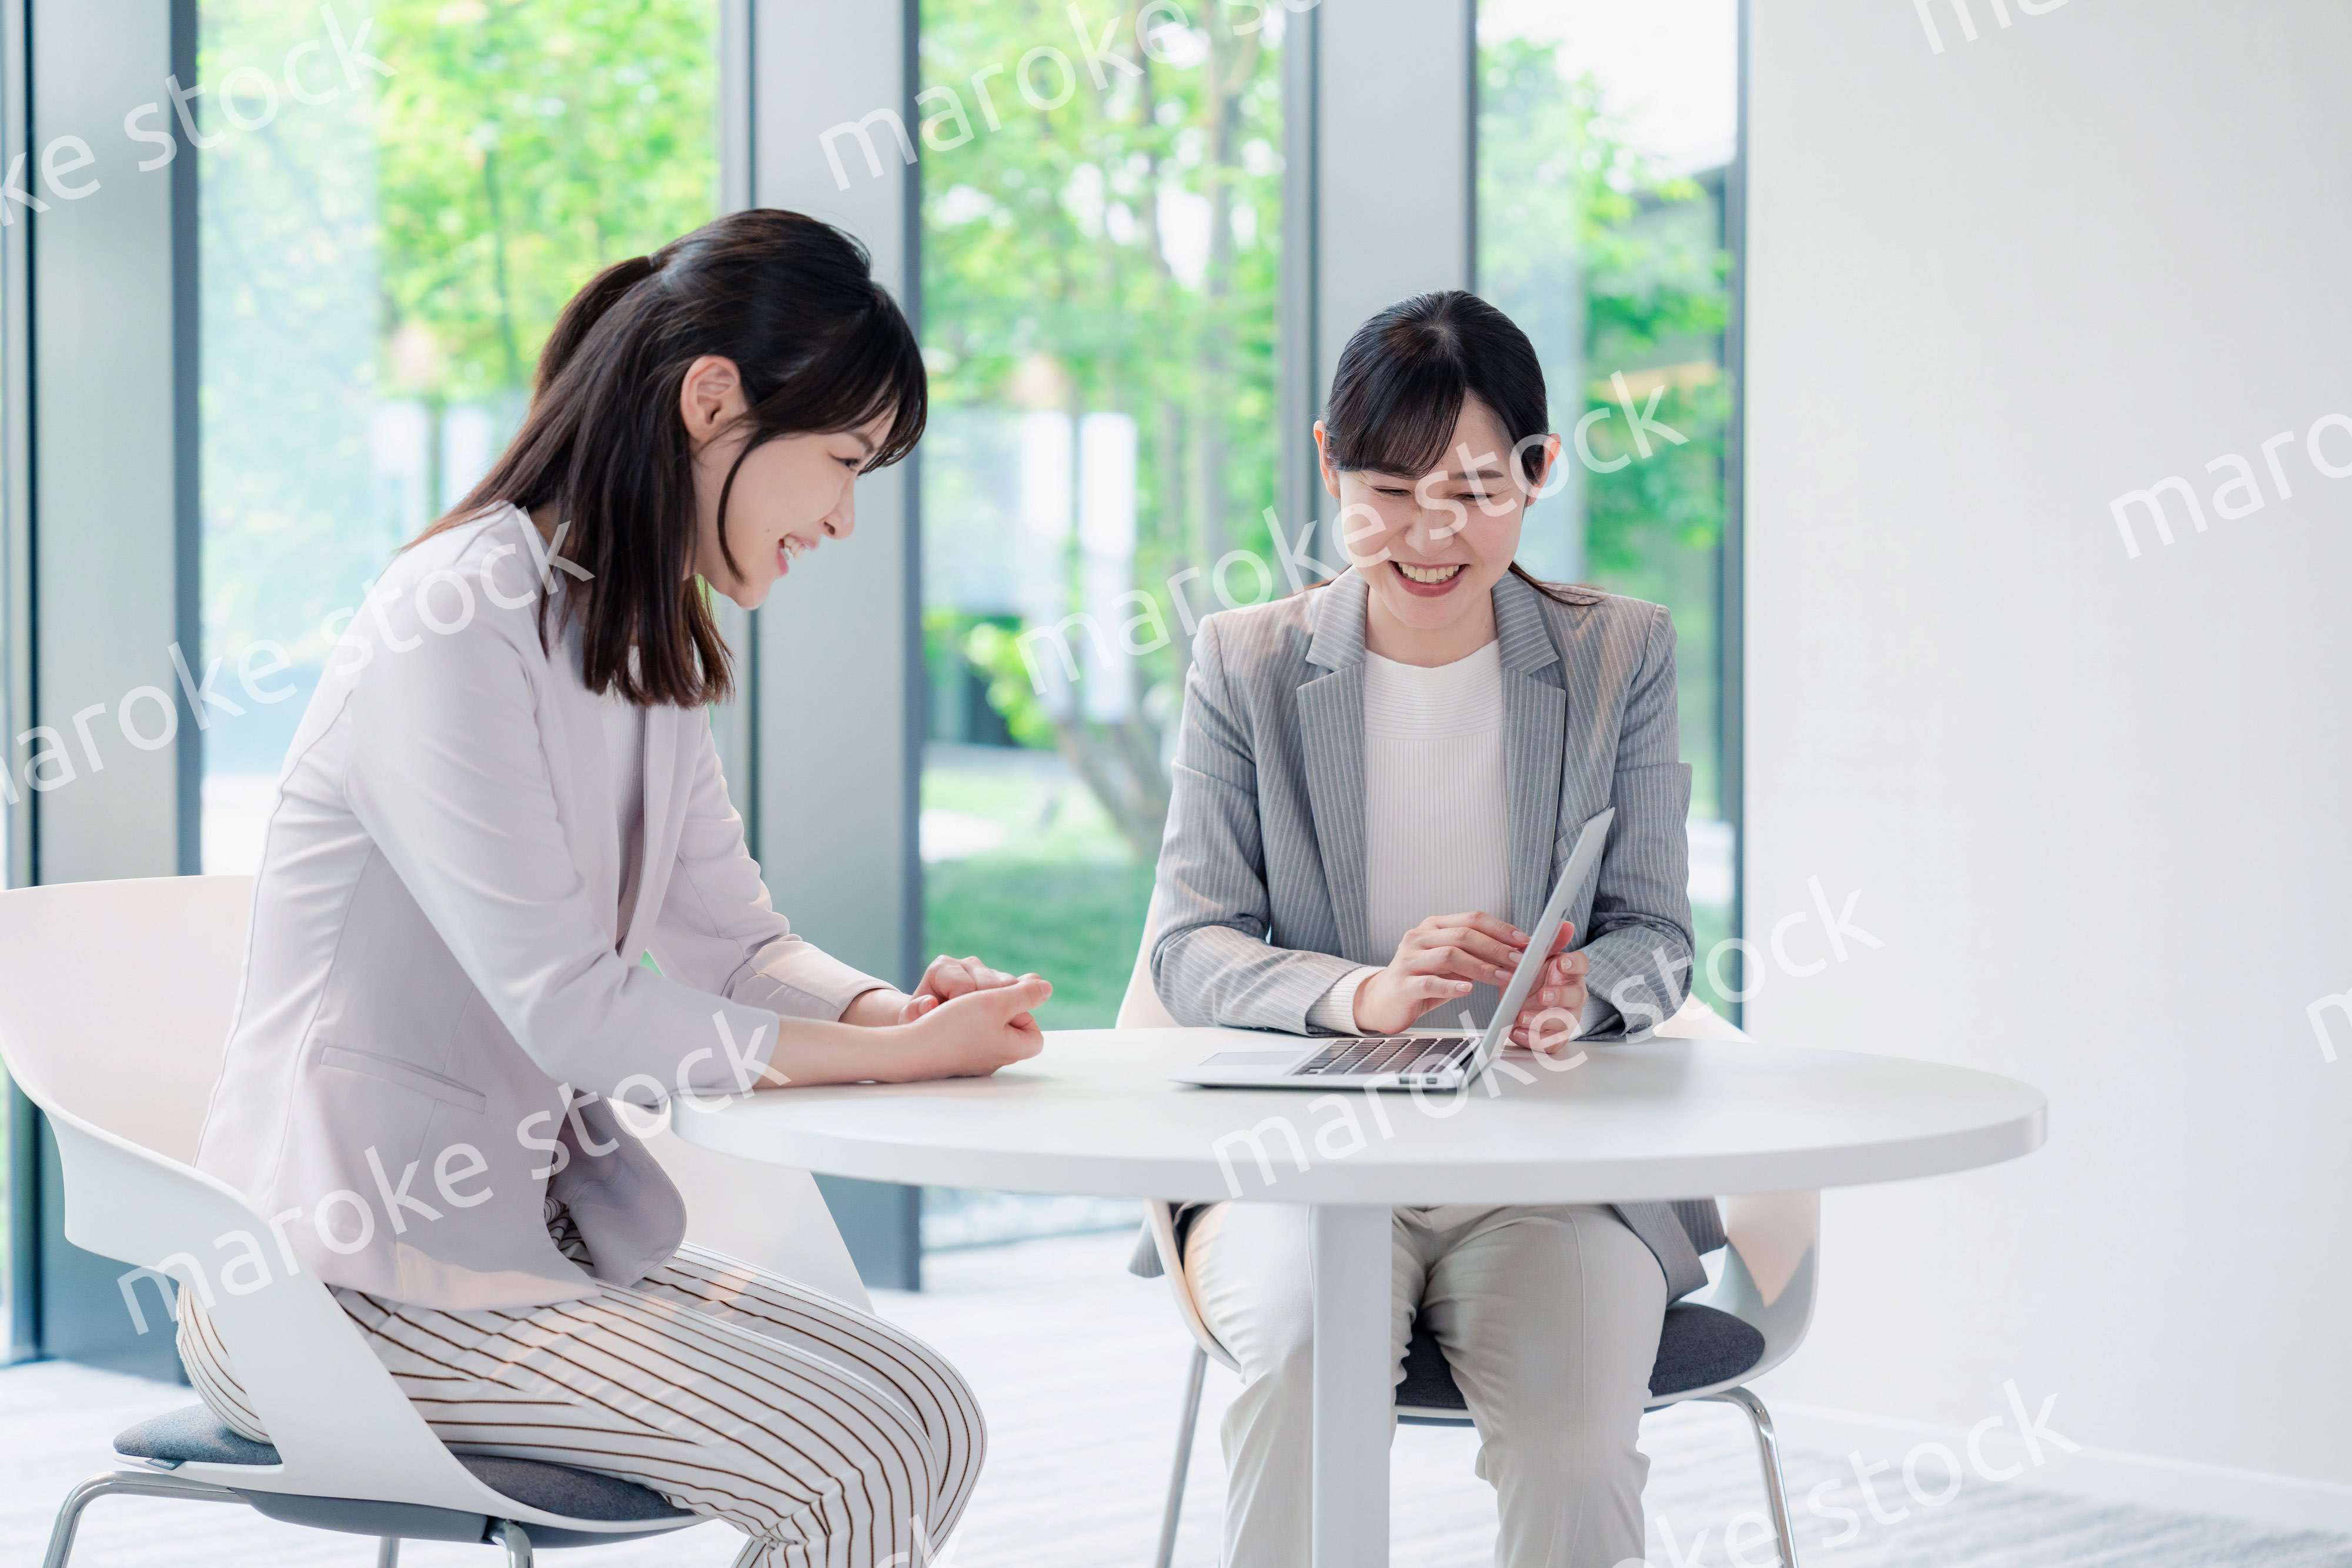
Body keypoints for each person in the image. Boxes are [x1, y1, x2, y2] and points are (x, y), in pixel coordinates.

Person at [181, 209, 1047, 1568]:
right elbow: (572, 1012)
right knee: (860, 1453)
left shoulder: (633, 633)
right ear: (714, 398)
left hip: (507, 1251)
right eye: (838, 460)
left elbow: (736, 940)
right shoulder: (456, 616)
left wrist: (897, 1013)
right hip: (332, 1281)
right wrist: (885, 1061)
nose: (841, 515)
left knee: (928, 1409)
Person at [1145, 289, 1712, 1568]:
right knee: (1297, 1369)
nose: (1427, 532)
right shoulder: (1245, 662)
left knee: (1574, 1447)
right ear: (1326, 465)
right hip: (1302, 1155)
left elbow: (1660, 934)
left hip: (1546, 1175)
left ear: (1539, 469)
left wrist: (1589, 991)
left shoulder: (1620, 652)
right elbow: (1190, 944)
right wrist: (1364, 995)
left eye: (1469, 488)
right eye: (1387, 488)